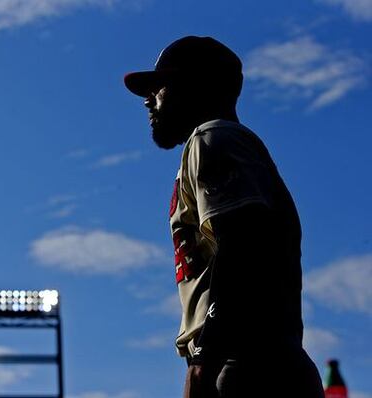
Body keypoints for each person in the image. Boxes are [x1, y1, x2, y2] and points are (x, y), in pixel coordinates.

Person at [123, 36, 325, 398]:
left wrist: (204, 356)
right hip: (253, 358)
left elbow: (243, 245)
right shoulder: (218, 142)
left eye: (158, 87)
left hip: (246, 362)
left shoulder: (213, 137)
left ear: (193, 87)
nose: (148, 100)